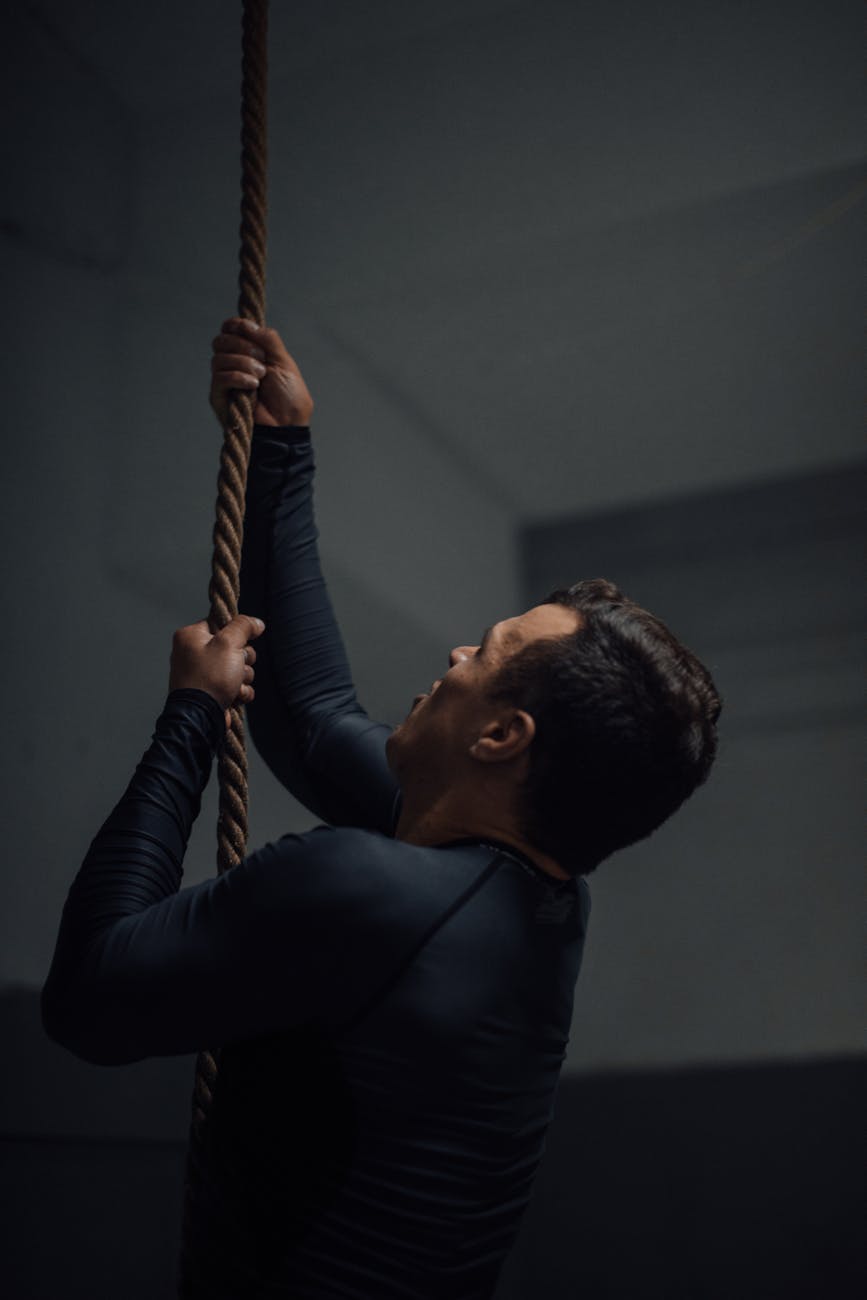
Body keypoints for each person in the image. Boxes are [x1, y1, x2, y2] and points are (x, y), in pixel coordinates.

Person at [41, 318, 721, 1298]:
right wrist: (281, 449)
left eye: (480, 652)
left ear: (502, 737)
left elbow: (88, 1000)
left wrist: (190, 714)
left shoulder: (363, 889)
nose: (453, 653)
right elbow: (312, 719)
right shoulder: (539, 891)